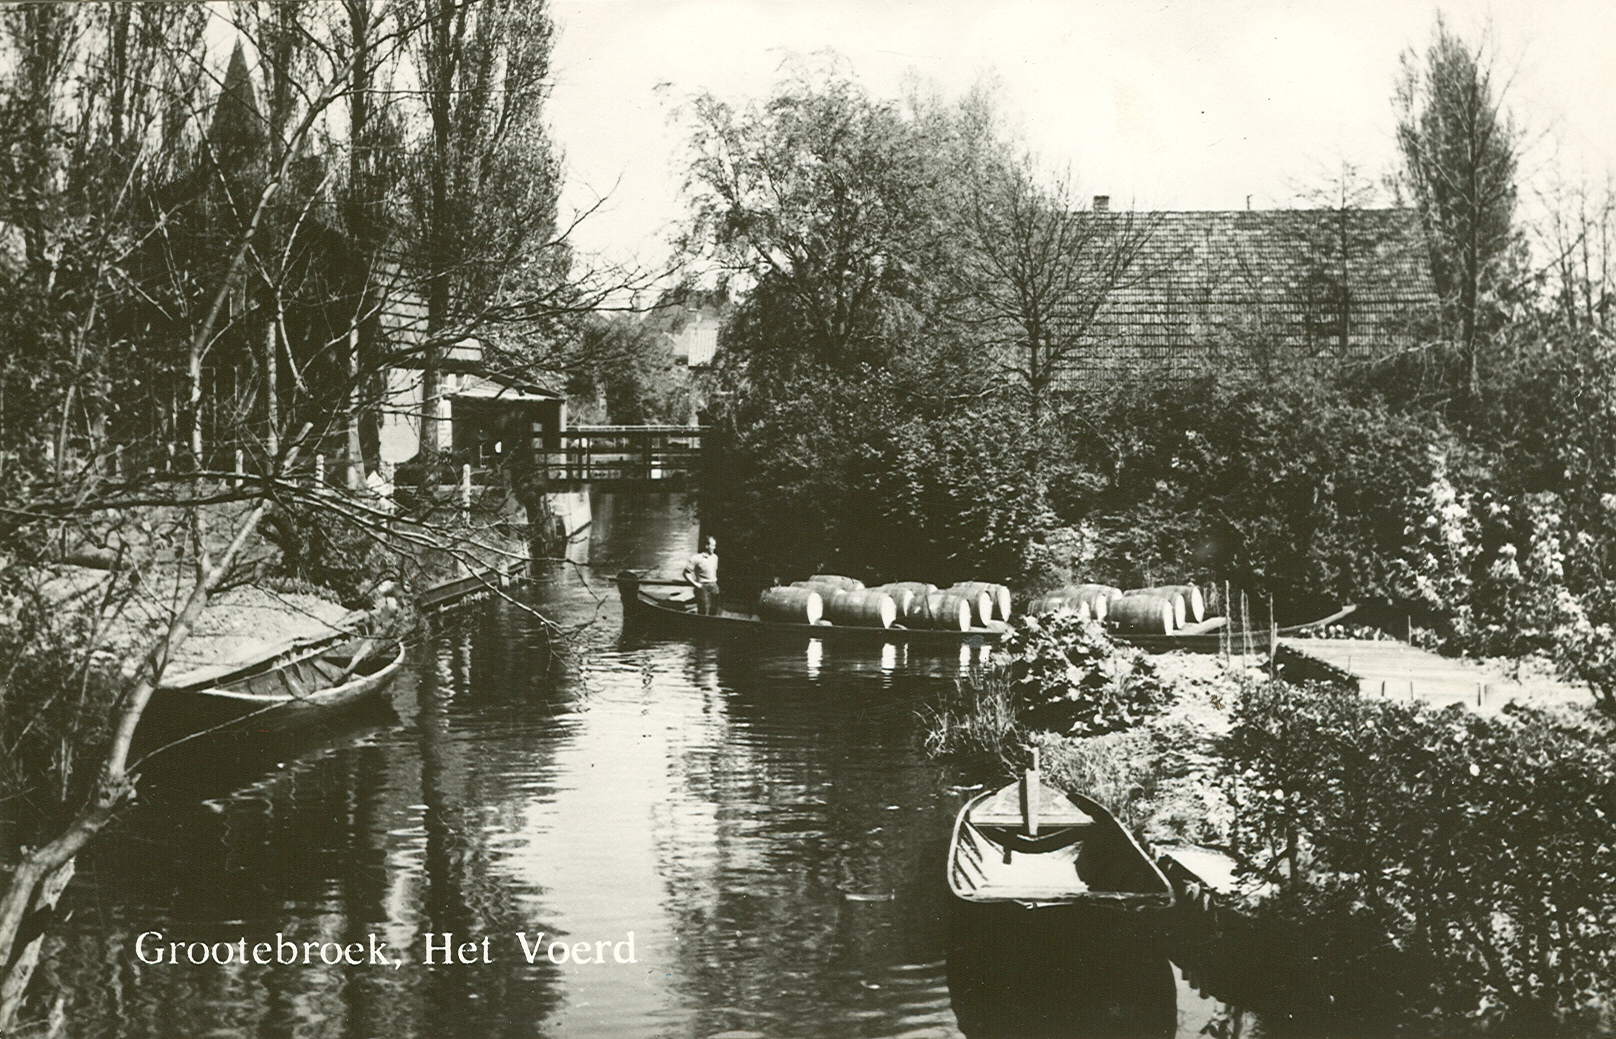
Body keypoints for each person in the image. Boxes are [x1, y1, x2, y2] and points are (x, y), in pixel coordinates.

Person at [684, 535, 721, 615]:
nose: (714, 548)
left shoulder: (715, 557)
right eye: (713, 545)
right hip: (702, 587)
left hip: (714, 586)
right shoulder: (696, 558)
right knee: (704, 611)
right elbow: (686, 573)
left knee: (715, 610)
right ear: (706, 546)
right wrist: (695, 584)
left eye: (715, 545)